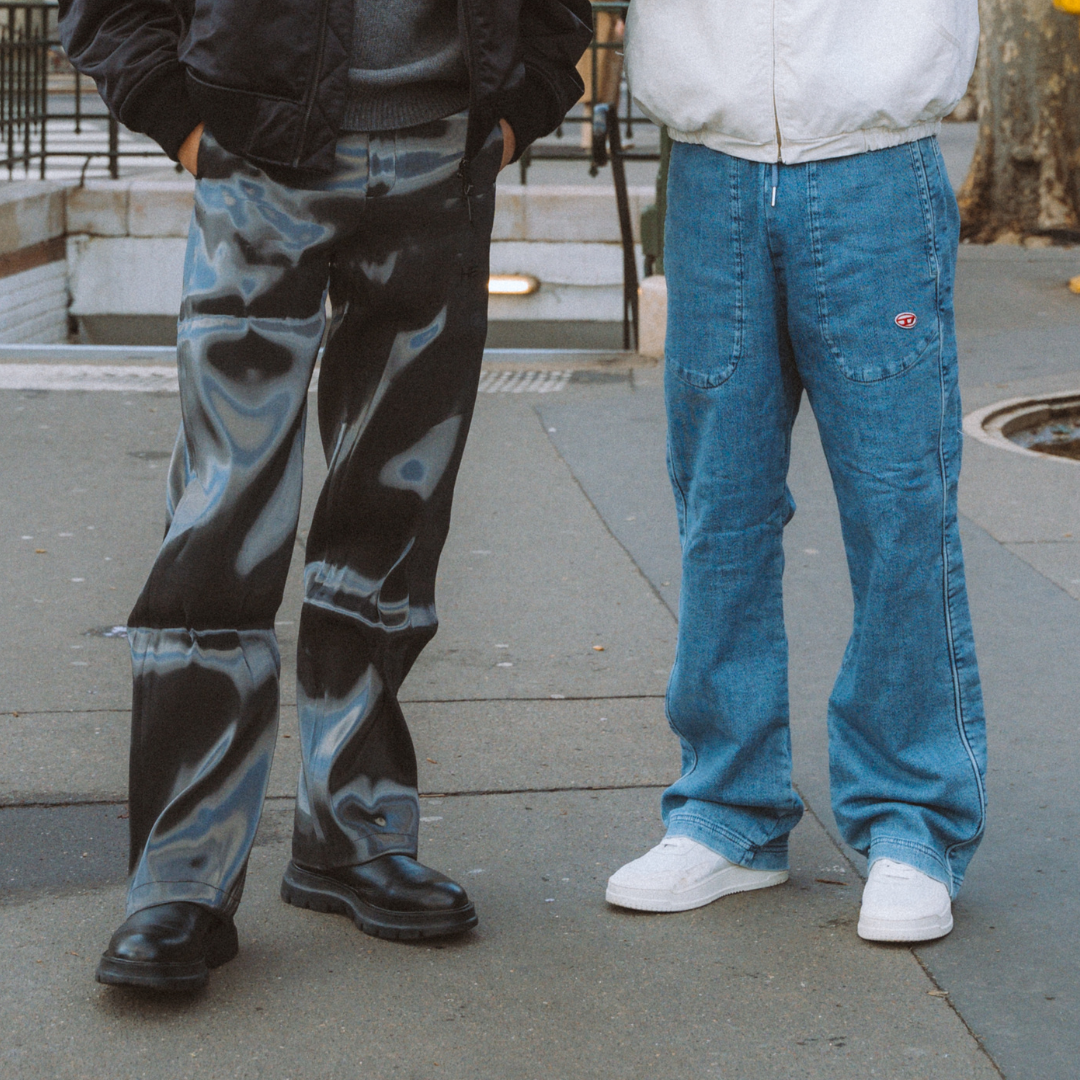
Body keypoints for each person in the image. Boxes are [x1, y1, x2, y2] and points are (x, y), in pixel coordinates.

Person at [58, 0, 591, 990]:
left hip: (440, 158)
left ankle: (353, 834)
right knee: (222, 514)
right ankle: (180, 882)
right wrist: (182, 124)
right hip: (254, 157)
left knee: (394, 513)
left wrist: (519, 106)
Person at [607, 0, 987, 943]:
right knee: (717, 503)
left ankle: (913, 824)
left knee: (902, 506)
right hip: (710, 160)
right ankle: (726, 811)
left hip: (877, 156)